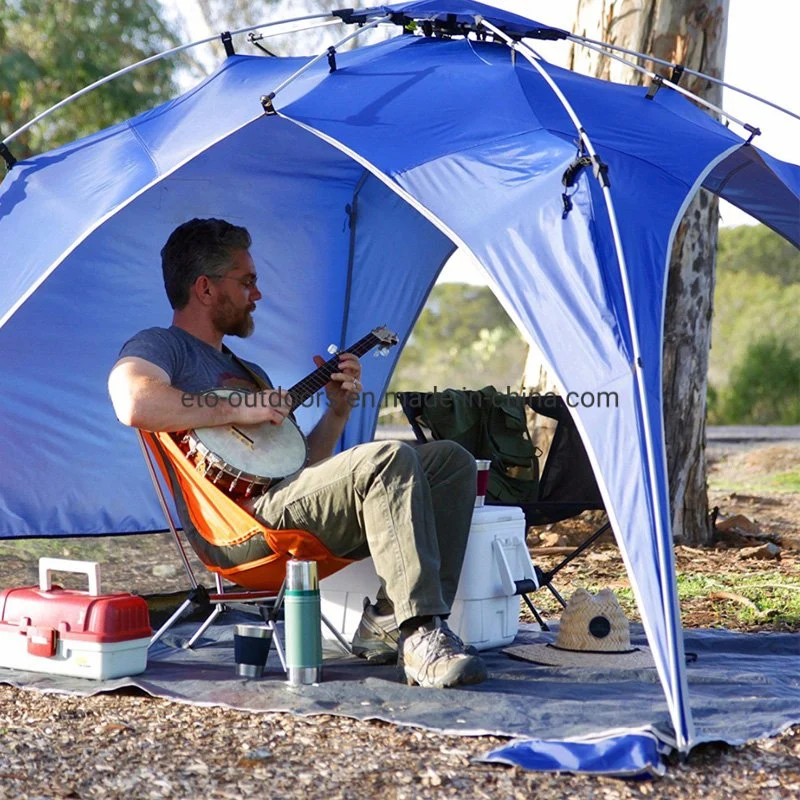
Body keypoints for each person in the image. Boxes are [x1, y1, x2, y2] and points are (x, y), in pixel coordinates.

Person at [108, 217, 487, 689]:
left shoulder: (250, 370)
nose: (258, 295)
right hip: (239, 527)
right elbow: (132, 402)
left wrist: (337, 412)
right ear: (204, 288)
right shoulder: (162, 346)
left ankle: (393, 621)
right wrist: (243, 408)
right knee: (388, 458)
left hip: (283, 504)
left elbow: (302, 468)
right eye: (247, 282)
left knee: (450, 460)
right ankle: (421, 636)